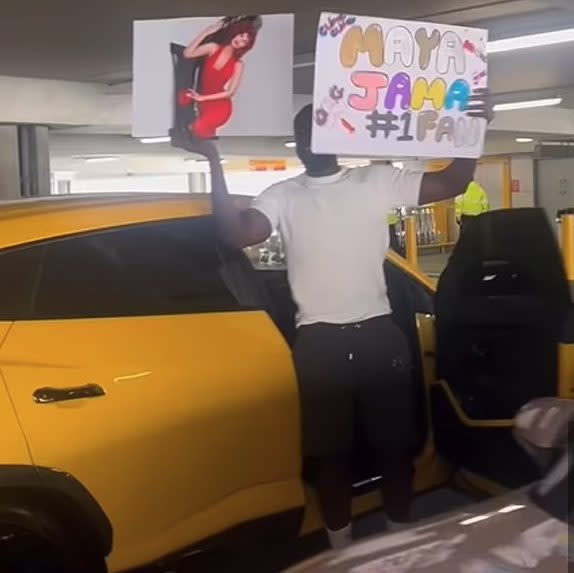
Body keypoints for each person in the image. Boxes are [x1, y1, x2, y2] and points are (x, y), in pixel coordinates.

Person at [183, 89, 494, 550]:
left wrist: (474, 129)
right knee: (331, 457)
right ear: (297, 144)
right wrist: (213, 159)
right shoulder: (282, 195)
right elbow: (233, 236)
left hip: (378, 336)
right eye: (302, 133)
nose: (311, 139)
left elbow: (450, 184)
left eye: (320, 128)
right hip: (318, 343)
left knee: (396, 450)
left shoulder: (375, 181)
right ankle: (340, 551)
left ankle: (399, 544)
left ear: (338, 133)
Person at [182, 18, 260, 139]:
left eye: (245, 41)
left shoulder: (238, 64)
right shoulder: (213, 48)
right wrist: (207, 31)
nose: (240, 41)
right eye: (241, 36)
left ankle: (202, 136)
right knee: (183, 99)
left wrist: (202, 98)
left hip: (220, 106)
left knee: (198, 129)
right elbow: (188, 53)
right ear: (235, 32)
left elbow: (230, 92)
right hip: (202, 99)